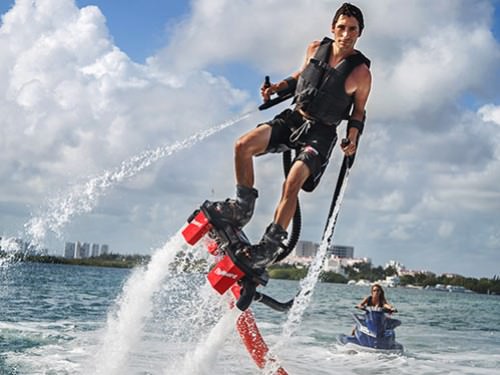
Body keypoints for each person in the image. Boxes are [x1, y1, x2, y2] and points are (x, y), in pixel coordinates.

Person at [207, 3, 372, 268]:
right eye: (341, 27)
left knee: (292, 182)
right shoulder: (314, 48)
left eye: (352, 29)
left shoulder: (361, 74)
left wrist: (352, 138)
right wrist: (276, 88)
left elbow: (359, 111)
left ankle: (269, 247)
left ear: (360, 32)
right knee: (242, 146)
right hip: (294, 118)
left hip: (322, 133)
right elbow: (300, 77)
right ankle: (242, 208)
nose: (346, 34)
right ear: (333, 28)